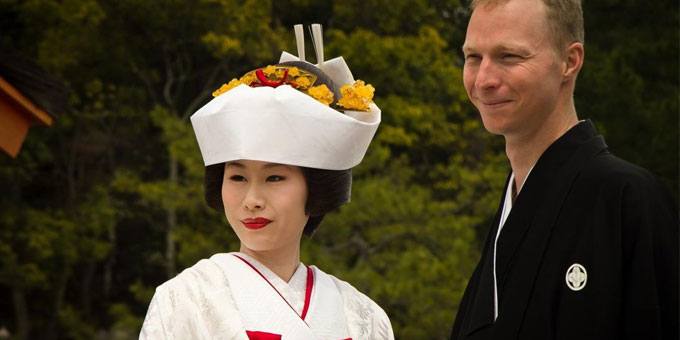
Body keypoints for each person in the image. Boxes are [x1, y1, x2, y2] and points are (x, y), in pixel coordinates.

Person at [140, 24, 394, 340]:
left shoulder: (362, 316)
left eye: (274, 177)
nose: (252, 199)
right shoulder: (184, 301)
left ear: (316, 187)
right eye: (237, 177)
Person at [450, 0, 678, 339]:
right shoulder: (510, 212)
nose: (483, 80)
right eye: (473, 57)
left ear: (569, 62)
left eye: (508, 57)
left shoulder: (627, 199)